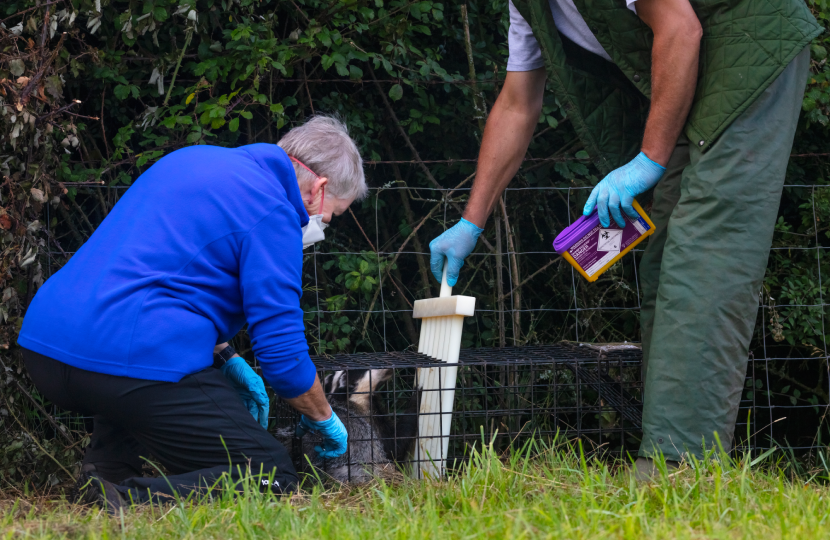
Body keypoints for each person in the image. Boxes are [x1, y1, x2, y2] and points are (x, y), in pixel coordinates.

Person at [429, 0, 821, 478]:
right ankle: (675, 450)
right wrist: (472, 221)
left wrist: (648, 161)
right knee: (664, 263)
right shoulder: (526, 6)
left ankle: (678, 467)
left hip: (750, 46)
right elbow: (517, 103)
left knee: (705, 254)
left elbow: (680, 29)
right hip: (697, 64)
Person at [18, 115, 367, 509]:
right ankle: (125, 501)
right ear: (319, 189)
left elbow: (162, 273)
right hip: (128, 357)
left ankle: (104, 475)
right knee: (270, 475)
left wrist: (226, 355)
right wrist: (324, 418)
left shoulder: (192, 160)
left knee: (129, 378)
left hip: (47, 348)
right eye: (332, 215)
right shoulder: (275, 209)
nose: (320, 225)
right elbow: (282, 354)